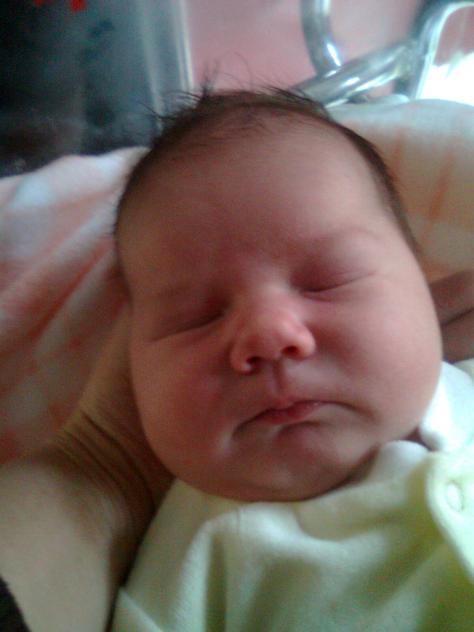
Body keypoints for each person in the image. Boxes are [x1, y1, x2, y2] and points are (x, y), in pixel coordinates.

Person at [0, 89, 473, 632]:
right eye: (196, 317)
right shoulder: (195, 561)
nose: (267, 336)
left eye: (327, 280)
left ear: (421, 277)